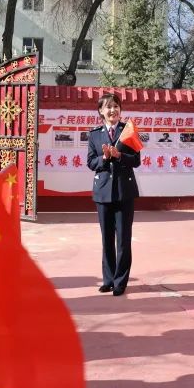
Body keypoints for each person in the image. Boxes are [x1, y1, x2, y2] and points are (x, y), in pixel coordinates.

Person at [86, 93, 140, 296]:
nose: (112, 110)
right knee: (107, 238)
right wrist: (104, 158)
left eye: (116, 106)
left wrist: (119, 155)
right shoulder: (94, 134)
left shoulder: (128, 131)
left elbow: (136, 160)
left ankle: (120, 282)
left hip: (124, 192)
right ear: (101, 111)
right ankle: (108, 280)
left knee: (123, 240)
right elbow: (91, 162)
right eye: (108, 107)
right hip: (103, 192)